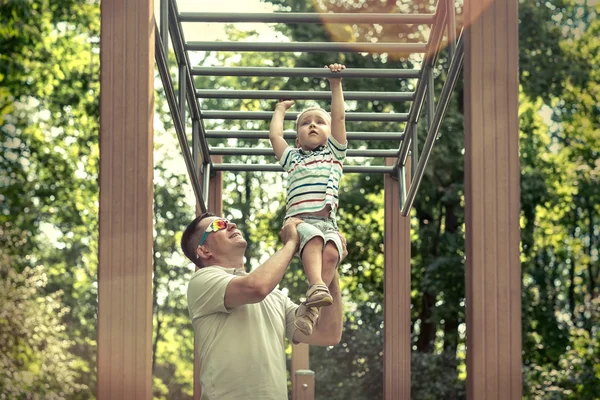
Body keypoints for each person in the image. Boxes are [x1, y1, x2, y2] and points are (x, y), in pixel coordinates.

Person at [181, 213, 345, 400]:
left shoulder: (275, 297)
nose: (231, 225)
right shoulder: (202, 280)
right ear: (203, 251)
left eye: (229, 220)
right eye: (219, 224)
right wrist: (292, 243)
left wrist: (330, 267)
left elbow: (327, 334)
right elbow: (256, 287)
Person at [268, 63, 347, 336]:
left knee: (332, 253)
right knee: (312, 239)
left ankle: (311, 309)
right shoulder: (293, 158)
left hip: (330, 223)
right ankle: (315, 286)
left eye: (318, 121)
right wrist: (281, 110)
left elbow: (339, 119)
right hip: (301, 220)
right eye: (305, 123)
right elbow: (275, 136)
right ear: (298, 139)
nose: (312, 124)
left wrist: (335, 85)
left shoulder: (334, 153)